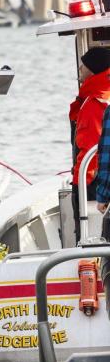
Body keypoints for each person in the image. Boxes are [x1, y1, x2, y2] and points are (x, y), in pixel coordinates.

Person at [71, 49, 110, 231]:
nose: (80, 68)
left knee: (89, 232)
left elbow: (92, 150)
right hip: (96, 177)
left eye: (83, 65)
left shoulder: (95, 102)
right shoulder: (97, 96)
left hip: (91, 181)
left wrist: (80, 185)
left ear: (92, 70)